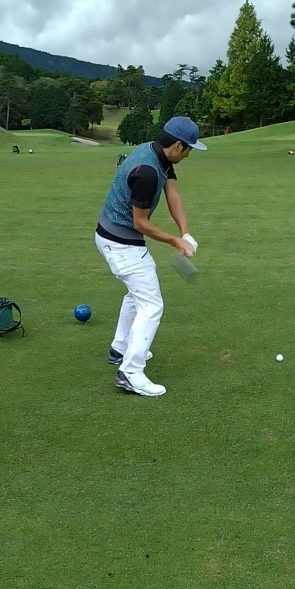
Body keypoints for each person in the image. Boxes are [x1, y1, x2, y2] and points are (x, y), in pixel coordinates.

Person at [95, 116, 207, 397]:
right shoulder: (147, 171)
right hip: (120, 242)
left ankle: (120, 348)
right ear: (178, 145)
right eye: (189, 148)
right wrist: (174, 241)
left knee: (137, 294)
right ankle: (131, 372)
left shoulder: (159, 154)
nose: (190, 154)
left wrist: (185, 232)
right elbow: (140, 223)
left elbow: (173, 194)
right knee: (151, 304)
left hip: (114, 236)